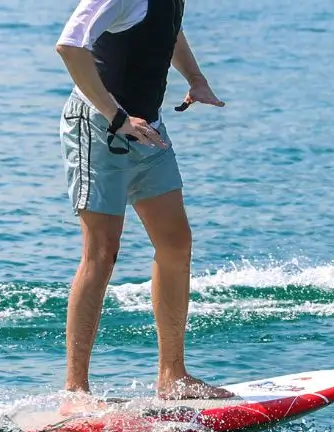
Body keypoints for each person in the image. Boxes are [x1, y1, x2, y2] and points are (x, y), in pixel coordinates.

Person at [52, 0, 232, 404]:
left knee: (175, 243)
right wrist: (117, 118)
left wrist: (196, 78)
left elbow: (169, 31)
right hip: (99, 130)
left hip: (148, 130)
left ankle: (173, 377)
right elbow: (69, 46)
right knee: (102, 252)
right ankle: (76, 391)